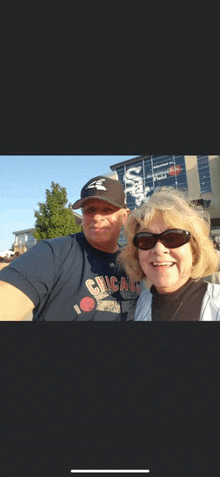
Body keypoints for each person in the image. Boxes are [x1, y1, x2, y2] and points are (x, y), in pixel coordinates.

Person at [0, 175, 139, 321]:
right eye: (90, 210)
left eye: (107, 209)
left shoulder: (136, 261)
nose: (97, 218)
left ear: (124, 216)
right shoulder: (51, 253)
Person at [118, 187, 220, 321]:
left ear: (194, 250)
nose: (158, 249)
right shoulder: (139, 304)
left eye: (173, 237)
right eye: (146, 239)